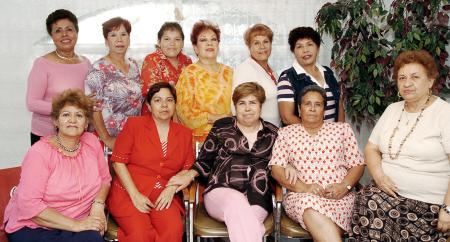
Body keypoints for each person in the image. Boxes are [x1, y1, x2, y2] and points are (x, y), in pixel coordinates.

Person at [349, 50, 449, 241]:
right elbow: (371, 148)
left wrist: (448, 208)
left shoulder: (444, 113)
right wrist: (378, 176)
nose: (407, 83)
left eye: (415, 77)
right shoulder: (392, 109)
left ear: (430, 81)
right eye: (401, 78)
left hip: (428, 206)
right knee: (367, 199)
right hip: (387, 196)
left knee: (373, 204)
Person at [168, 82, 279, 242]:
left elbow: (280, 164)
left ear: (260, 105)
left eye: (252, 103)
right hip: (220, 192)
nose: (247, 109)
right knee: (240, 208)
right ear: (235, 107)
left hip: (258, 197)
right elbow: (205, 159)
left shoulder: (273, 133)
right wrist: (189, 175)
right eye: (242, 103)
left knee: (249, 223)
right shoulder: (222, 126)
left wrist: (289, 167)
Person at [3, 89, 111, 242]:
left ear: (86, 123)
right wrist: (76, 225)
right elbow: (30, 206)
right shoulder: (39, 153)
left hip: (80, 221)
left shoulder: (92, 142)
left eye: (79, 115)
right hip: (34, 225)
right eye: (66, 115)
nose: (72, 120)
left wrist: (98, 205)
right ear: (55, 121)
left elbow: (105, 180)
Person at [270, 85, 364, 242]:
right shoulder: (286, 133)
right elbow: (276, 169)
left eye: (318, 104)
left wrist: (344, 186)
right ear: (299, 108)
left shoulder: (342, 130)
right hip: (301, 196)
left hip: (340, 198)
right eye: (307, 104)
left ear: (324, 110)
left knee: (324, 228)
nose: (312, 108)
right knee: (310, 207)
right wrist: (305, 188)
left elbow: (358, 164)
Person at [106, 82, 195, 242]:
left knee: (173, 230)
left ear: (175, 104)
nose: (164, 105)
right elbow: (118, 162)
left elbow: (187, 168)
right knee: (140, 234)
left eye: (169, 100)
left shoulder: (185, 133)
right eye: (157, 100)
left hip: (163, 194)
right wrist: (135, 195)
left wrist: (172, 188)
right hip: (129, 192)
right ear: (148, 104)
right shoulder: (134, 125)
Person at [26, 9, 91, 145]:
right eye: (58, 31)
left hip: (78, 134)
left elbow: (87, 99)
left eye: (69, 29)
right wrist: (68, 111)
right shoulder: (42, 64)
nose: (65, 34)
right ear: (52, 36)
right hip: (46, 135)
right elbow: (32, 103)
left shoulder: (86, 63)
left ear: (76, 32)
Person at [85, 17, 143, 150]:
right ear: (106, 41)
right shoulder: (98, 68)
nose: (119, 39)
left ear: (129, 38)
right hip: (105, 139)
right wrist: (106, 139)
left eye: (124, 34)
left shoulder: (134, 65)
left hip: (132, 136)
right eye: (113, 35)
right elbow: (93, 106)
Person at [175, 20, 232, 143]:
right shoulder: (189, 74)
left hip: (230, 138)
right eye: (203, 40)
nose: (209, 43)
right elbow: (185, 114)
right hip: (200, 142)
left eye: (213, 39)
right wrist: (218, 118)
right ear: (195, 48)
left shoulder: (230, 73)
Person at [277, 27, 345, 126]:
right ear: (293, 51)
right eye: (299, 46)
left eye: (310, 44)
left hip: (333, 138)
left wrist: (339, 131)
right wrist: (318, 133)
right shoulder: (287, 78)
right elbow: (287, 118)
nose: (305, 50)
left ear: (317, 48)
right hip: (303, 139)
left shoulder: (328, 72)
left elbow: (339, 105)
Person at [141, 22, 192, 115]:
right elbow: (154, 95)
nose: (172, 43)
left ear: (182, 43)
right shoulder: (152, 60)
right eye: (167, 39)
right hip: (157, 117)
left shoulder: (187, 61)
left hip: (184, 115)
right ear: (159, 42)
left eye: (177, 39)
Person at [233, 24, 280, 126]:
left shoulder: (270, 69)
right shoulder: (245, 69)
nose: (262, 47)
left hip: (273, 130)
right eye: (256, 43)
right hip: (257, 134)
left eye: (266, 42)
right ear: (249, 46)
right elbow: (237, 108)